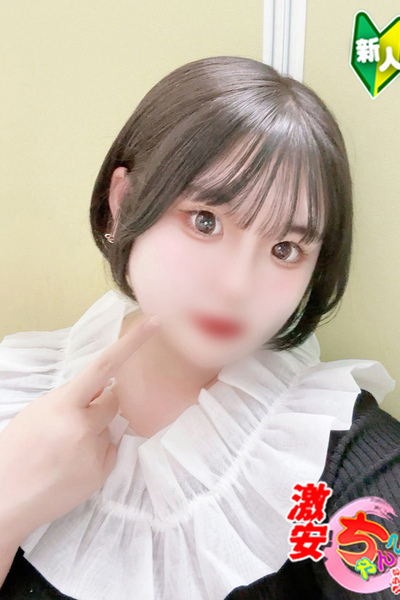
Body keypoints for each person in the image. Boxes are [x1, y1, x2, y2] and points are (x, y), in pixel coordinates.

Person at [0, 55, 397, 600]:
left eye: (285, 249)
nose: (237, 286)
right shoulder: (12, 391)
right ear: (123, 202)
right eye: (205, 221)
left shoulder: (345, 456)